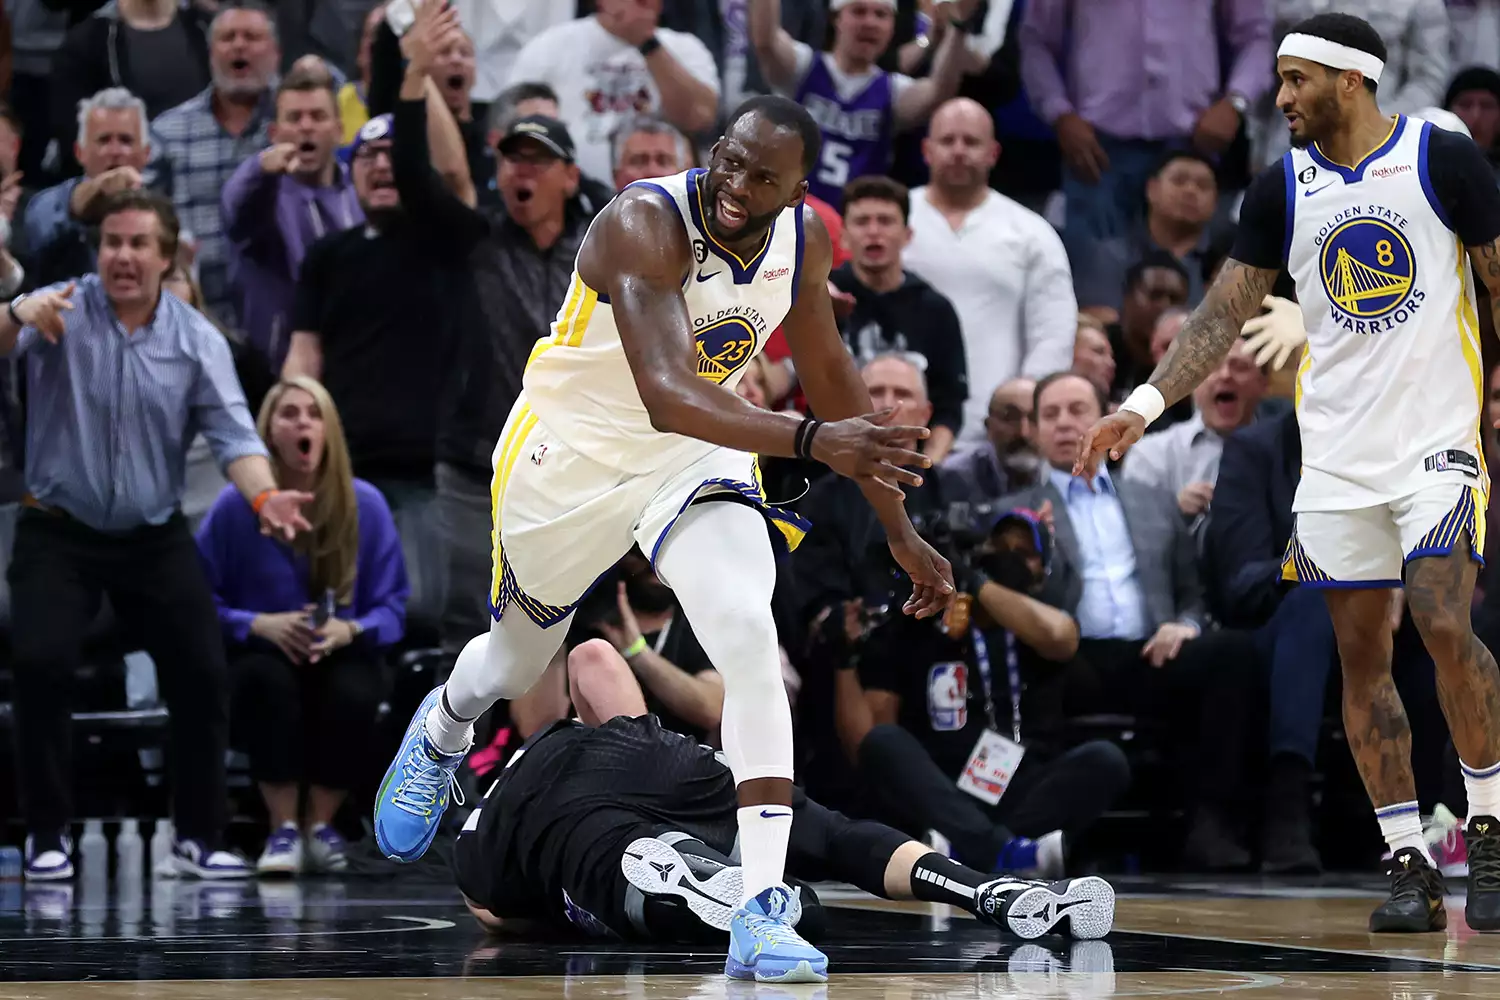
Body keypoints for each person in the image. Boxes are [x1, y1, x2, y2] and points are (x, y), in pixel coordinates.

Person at [372, 94, 955, 984]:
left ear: (799, 192)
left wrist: (899, 533)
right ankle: (446, 724)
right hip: (566, 458)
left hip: (690, 456)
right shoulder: (644, 220)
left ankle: (760, 908)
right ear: (716, 151)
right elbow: (664, 390)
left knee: (750, 641)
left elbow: (833, 381)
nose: (738, 186)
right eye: (732, 162)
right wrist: (806, 440)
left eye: (765, 179)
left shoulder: (803, 244)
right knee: (517, 663)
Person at [1075, 12, 1500, 933]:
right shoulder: (1281, 188)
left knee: (1439, 613)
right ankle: (1408, 863)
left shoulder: (1442, 159)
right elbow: (1220, 319)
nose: (1280, 97)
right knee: (1359, 657)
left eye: (1297, 79)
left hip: (1439, 442)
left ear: (1351, 80)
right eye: (1277, 79)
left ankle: (1490, 826)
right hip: (1338, 457)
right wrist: (1141, 407)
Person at [4, 189, 311, 881]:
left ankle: (198, 838)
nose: (123, 256)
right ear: (98, 250)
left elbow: (233, 432)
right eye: (113, 242)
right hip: (57, 529)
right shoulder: (58, 307)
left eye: (140, 244)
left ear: (166, 256)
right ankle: (46, 835)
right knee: (41, 665)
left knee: (202, 672)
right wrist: (15, 312)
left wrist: (264, 495)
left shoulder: (196, 338)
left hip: (151, 533)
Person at [453, 713, 1116, 944]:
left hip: (575, 823)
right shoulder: (566, 729)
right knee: (831, 835)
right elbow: (594, 660)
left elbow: (489, 912)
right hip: (654, 756)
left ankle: (703, 883)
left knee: (612, 871)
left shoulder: (478, 843)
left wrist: (552, 917)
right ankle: (981, 890)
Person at [197, 377, 408, 875]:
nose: (302, 423)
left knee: (354, 688)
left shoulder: (365, 506)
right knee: (264, 682)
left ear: (329, 428)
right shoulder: (234, 508)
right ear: (268, 431)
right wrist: (257, 623)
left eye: (313, 414)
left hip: (339, 650)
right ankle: (282, 828)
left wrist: (350, 631)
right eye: (289, 414)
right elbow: (199, 602)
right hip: (263, 651)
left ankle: (321, 824)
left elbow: (393, 609)